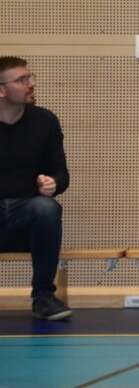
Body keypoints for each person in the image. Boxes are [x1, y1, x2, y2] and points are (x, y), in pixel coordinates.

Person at [0, 57, 72, 321]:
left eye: (29, 77)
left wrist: (53, 183)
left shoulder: (45, 121)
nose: (32, 83)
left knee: (46, 208)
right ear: (1, 90)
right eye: (22, 80)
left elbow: (61, 174)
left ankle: (43, 297)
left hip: (26, 219)